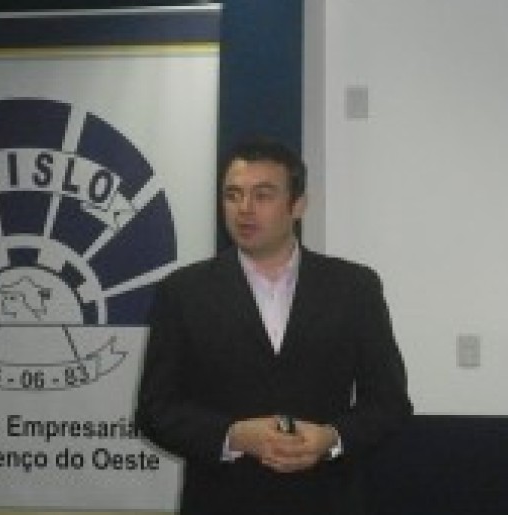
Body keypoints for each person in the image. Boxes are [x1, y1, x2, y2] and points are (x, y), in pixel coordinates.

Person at [136, 137, 412, 515]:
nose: (244, 209)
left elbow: (389, 403)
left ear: (297, 205)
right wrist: (233, 436)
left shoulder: (354, 288)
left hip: (327, 499)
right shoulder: (183, 292)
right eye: (233, 195)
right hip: (221, 501)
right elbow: (155, 409)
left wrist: (331, 438)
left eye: (263, 195)